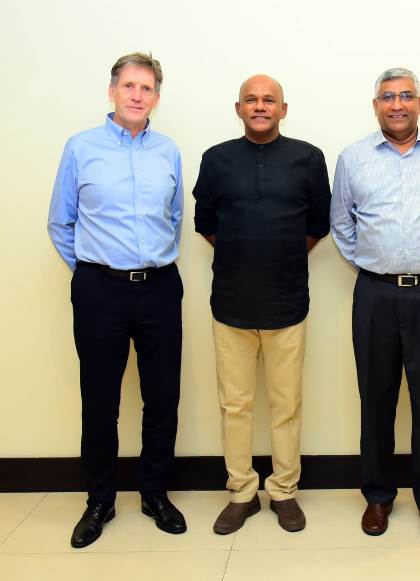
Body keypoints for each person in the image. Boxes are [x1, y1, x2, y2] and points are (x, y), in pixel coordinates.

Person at [48, 52, 186, 548]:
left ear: (156, 98)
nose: (137, 95)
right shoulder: (80, 148)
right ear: (112, 91)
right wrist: (94, 270)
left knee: (162, 397)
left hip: (159, 287)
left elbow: (175, 218)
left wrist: (146, 263)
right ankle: (100, 500)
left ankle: (154, 493)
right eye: (129, 86)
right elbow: (60, 222)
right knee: (100, 399)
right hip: (99, 289)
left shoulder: (168, 151)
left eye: (146, 88)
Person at [330, 67, 420, 543]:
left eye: (406, 95)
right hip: (375, 295)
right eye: (387, 97)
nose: (397, 104)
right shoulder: (353, 158)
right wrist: (376, 264)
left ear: (419, 103)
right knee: (376, 399)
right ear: (376, 106)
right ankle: (378, 496)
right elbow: (342, 225)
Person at [193, 75, 331, 534]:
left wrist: (282, 255)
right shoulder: (216, 159)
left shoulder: (309, 158)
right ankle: (242, 493)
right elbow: (205, 223)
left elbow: (318, 224)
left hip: (287, 303)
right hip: (230, 304)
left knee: (286, 404)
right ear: (238, 108)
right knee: (235, 405)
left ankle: (284, 491)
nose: (259, 106)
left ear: (283, 109)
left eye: (268, 100)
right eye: (250, 100)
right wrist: (243, 255)